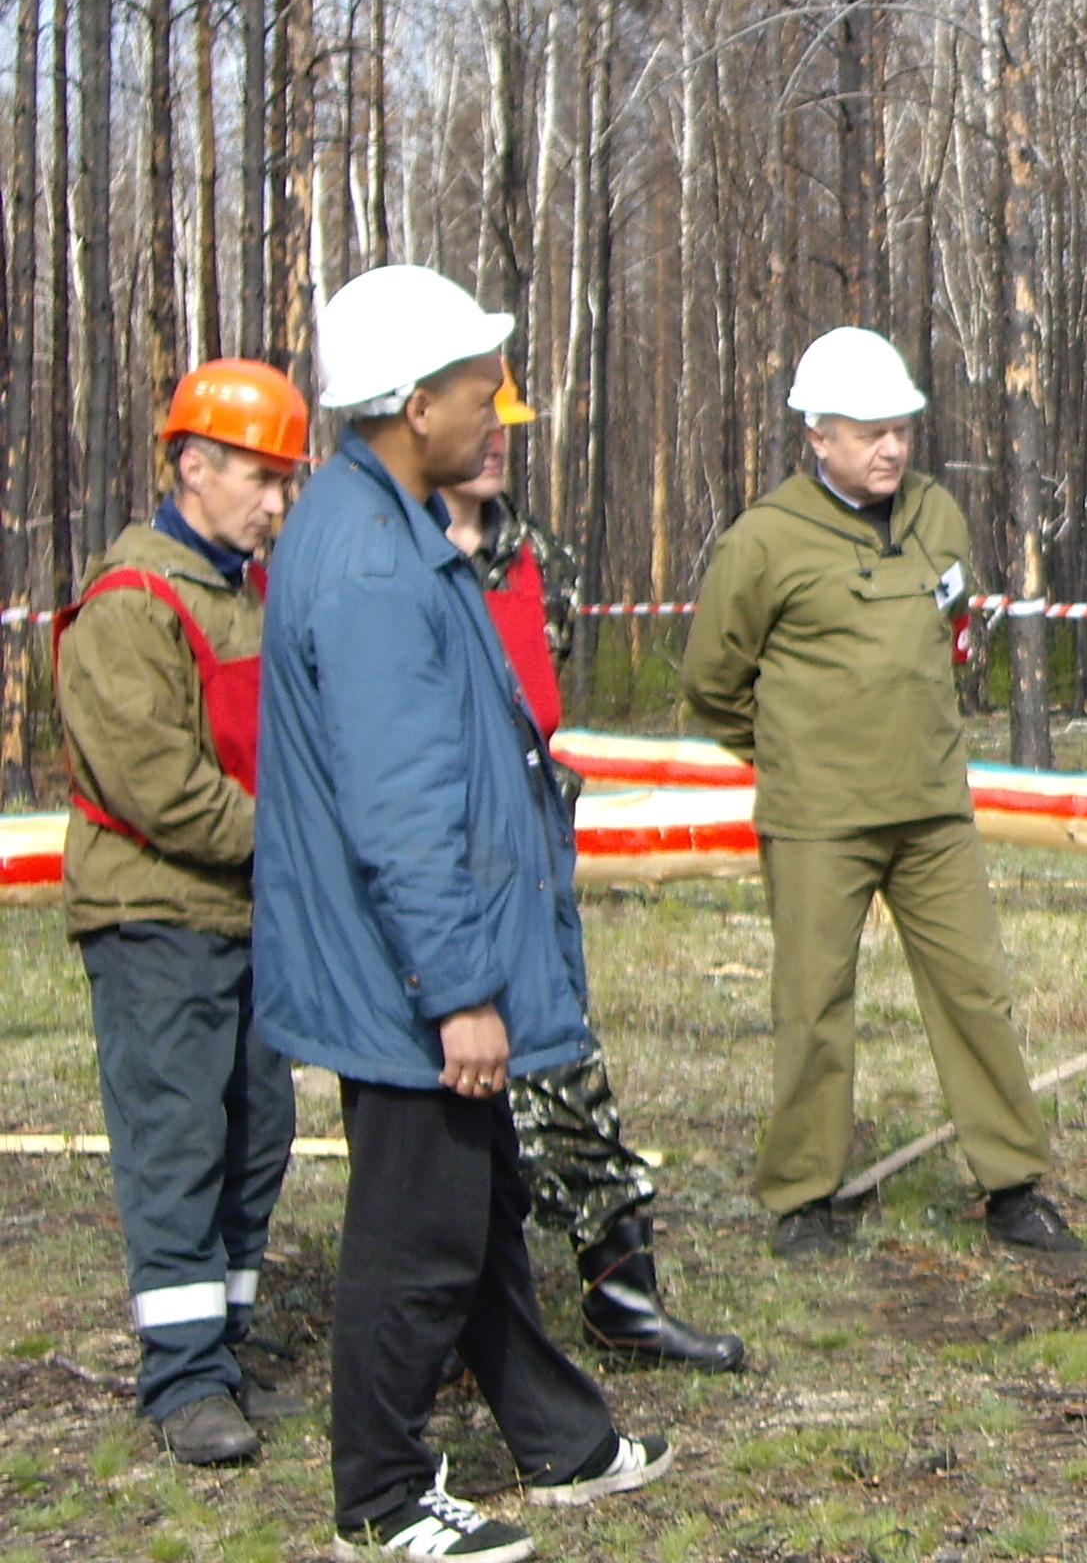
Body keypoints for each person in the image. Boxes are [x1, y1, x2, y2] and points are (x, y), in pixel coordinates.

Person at [258, 265, 668, 1561]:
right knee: (417, 1240)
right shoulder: (376, 565)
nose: (495, 406)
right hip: (411, 981)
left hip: (413, 967)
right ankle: (380, 1501)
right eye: (472, 385)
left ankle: (561, 1442)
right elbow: (405, 814)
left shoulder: (380, 521)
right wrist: (464, 996)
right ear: (404, 402)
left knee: (481, 1212)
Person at [680, 326, 1087, 1266]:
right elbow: (711, 682)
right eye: (869, 432)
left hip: (933, 811)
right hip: (819, 817)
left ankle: (1015, 1186)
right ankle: (803, 1198)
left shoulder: (937, 515)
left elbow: (957, 624)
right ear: (816, 436)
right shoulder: (764, 541)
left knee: (976, 993)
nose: (891, 448)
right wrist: (788, 751)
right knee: (814, 1004)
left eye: (901, 428)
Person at [443, 375, 744, 1369]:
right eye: (479, 426)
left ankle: (623, 1297)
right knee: (447, 1102)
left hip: (532, 852)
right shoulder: (390, 558)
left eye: (507, 430)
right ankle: (444, 1323)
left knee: (566, 1064)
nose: (495, 446)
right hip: (435, 854)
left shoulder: (540, 558)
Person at [56, 361, 310, 1466]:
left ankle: (227, 1340)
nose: (278, 504)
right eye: (262, 478)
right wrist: (298, 845)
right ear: (191, 466)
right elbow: (157, 788)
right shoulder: (130, 605)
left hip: (248, 917)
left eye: (289, 482)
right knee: (178, 1141)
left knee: (257, 1134)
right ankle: (184, 1380)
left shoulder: (242, 595)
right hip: (156, 919)